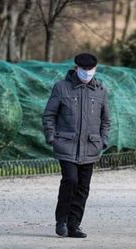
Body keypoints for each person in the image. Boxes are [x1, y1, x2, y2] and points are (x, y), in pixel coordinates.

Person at [42, 53, 111, 238]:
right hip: (66, 145)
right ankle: (61, 220)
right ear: (76, 69)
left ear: (95, 69)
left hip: (91, 146)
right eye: (84, 69)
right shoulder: (61, 88)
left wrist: (102, 140)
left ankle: (74, 224)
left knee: (83, 187)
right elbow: (49, 115)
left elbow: (106, 120)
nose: (87, 73)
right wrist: (52, 138)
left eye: (90, 70)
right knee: (70, 180)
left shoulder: (100, 91)